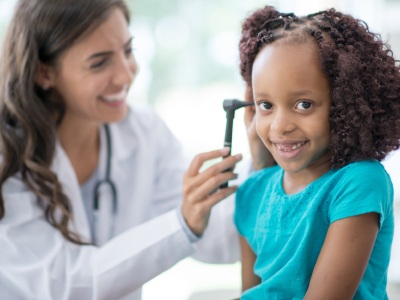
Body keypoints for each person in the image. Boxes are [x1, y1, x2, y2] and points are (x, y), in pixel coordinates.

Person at [0, 0, 252, 299]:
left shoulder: (144, 135)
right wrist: (182, 224)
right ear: (44, 73)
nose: (126, 75)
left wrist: (265, 162)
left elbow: (216, 237)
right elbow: (62, 285)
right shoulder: (8, 157)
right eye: (99, 63)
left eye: (128, 51)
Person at [234, 5, 400, 300]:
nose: (280, 126)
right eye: (266, 105)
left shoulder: (359, 183)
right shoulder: (251, 193)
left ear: (344, 105)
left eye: (304, 105)